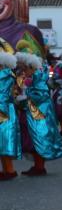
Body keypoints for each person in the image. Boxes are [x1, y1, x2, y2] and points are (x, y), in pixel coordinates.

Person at [14, 41, 62, 176]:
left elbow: (40, 95)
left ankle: (40, 167)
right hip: (28, 112)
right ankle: (37, 165)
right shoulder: (25, 76)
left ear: (30, 65)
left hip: (38, 113)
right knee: (31, 139)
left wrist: (24, 99)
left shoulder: (39, 76)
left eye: (24, 67)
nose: (22, 69)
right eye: (21, 67)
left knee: (38, 138)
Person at [0, 46, 20, 180]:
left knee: (4, 140)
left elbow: (2, 95)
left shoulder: (4, 76)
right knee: (4, 141)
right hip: (7, 110)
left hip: (3, 111)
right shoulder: (10, 75)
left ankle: (9, 170)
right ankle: (7, 169)